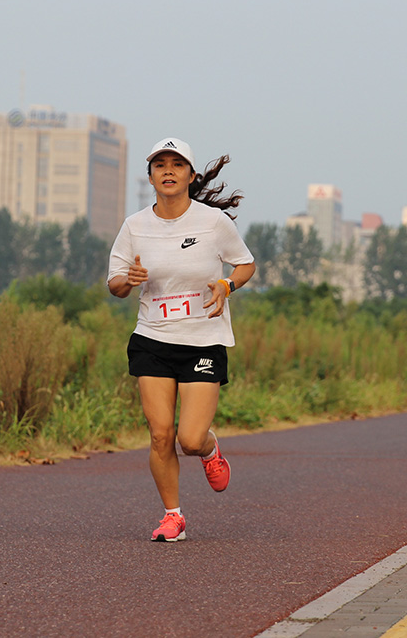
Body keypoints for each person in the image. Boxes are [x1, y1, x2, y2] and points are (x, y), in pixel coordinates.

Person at [107, 137, 256, 543]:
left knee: (188, 439)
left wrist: (227, 285)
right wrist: (128, 281)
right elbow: (115, 283)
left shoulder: (212, 222)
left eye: (176, 164)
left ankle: (209, 451)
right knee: (159, 434)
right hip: (152, 338)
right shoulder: (135, 226)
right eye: (160, 165)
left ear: (190, 175)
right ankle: (173, 516)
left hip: (203, 340)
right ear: (151, 175)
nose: (168, 171)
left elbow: (245, 264)